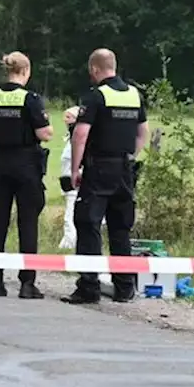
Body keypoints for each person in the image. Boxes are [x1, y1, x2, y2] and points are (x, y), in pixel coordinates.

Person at [63, 48, 149, 305]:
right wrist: (130, 156)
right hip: (124, 168)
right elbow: (143, 132)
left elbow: (80, 135)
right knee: (120, 228)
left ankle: (89, 287)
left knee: (88, 224)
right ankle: (124, 287)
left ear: (94, 69)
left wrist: (75, 169)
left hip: (99, 167)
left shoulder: (96, 96)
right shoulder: (134, 95)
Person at [0, 52, 53, 298]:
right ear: (26, 71)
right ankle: (27, 283)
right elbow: (45, 134)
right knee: (27, 223)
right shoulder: (30, 99)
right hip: (25, 165)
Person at [58, 106, 80, 250]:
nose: (65, 120)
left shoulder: (77, 140)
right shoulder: (69, 138)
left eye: (69, 117)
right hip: (68, 182)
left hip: (75, 184)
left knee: (70, 216)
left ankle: (68, 244)